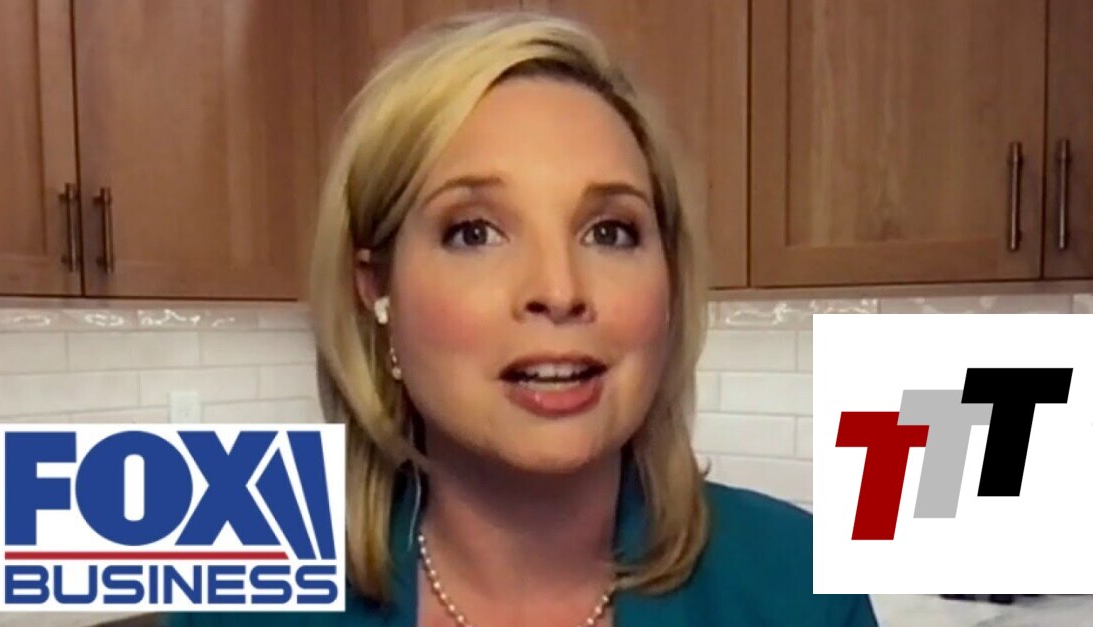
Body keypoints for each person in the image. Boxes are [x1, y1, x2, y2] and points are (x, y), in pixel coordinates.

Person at [170, 10, 877, 627]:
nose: (559, 289)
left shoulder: (801, 587)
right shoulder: (239, 589)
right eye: (474, 232)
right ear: (377, 287)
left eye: (610, 231)